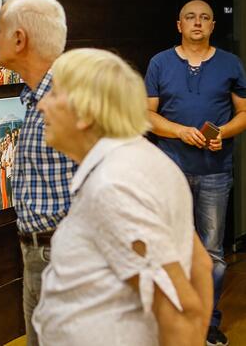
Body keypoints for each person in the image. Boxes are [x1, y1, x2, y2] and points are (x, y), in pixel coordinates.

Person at [33, 48, 214, 346]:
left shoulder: (114, 185)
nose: (42, 105)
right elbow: (201, 266)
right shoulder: (144, 161)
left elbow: (179, 315)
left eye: (53, 93)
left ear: (85, 112)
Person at [145, 0, 246, 346]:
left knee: (213, 254)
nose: (197, 22)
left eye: (204, 18)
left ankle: (206, 323)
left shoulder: (231, 63)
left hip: (216, 172)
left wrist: (224, 134)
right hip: (170, 173)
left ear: (213, 25)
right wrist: (179, 131)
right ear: (179, 25)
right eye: (190, 17)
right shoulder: (160, 62)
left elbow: (243, 113)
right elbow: (148, 115)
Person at [0, 0, 76, 346]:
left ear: (19, 39)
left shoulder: (69, 103)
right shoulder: (35, 97)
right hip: (39, 253)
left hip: (64, 260)